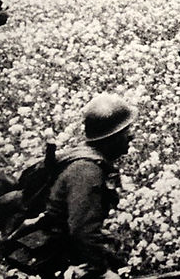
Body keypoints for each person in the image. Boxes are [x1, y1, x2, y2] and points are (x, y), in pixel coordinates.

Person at [44, 92, 135, 278]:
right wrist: (103, 271)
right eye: (126, 132)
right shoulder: (87, 171)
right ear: (113, 137)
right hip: (58, 261)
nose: (131, 137)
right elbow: (81, 230)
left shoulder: (87, 161)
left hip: (67, 254)